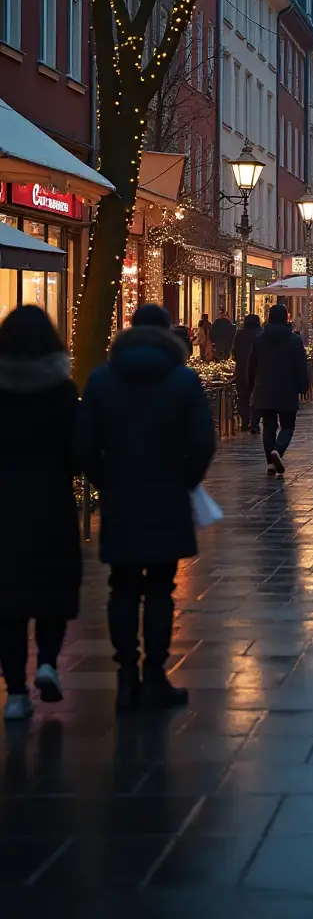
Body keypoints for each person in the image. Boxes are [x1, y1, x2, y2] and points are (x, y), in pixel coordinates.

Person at [77, 304, 216, 711]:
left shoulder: (102, 380)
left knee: (121, 587)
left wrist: (107, 480)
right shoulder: (183, 380)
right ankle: (155, 674)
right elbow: (203, 442)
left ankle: (125, 677)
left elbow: (83, 444)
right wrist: (184, 480)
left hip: (122, 497)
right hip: (167, 496)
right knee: (160, 589)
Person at [0, 306, 81, 720]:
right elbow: (77, 451)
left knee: (9, 600)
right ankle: (48, 662)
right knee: (52, 588)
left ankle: (15, 690)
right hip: (51, 502)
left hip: (6, 507)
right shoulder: (61, 391)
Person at [247, 304, 310, 475]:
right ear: (286, 319)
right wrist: (303, 387)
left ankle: (270, 461)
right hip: (287, 391)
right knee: (288, 426)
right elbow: (300, 368)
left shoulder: (259, 340)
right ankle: (278, 449)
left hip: (263, 390)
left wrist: (252, 386)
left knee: (268, 426)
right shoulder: (295, 341)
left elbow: (251, 366)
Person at [232, 314, 262, 432]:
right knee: (257, 398)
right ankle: (254, 422)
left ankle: (245, 421)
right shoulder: (261, 333)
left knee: (243, 397)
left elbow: (234, 351)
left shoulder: (240, 334)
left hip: (242, 371)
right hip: (258, 371)